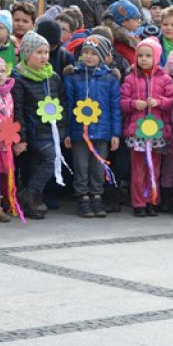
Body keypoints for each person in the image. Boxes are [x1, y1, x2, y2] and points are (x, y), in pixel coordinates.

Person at [63, 37, 122, 218]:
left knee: (98, 166)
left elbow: (115, 107)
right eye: (85, 53)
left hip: (102, 132)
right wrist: (67, 132)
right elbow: (68, 106)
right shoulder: (73, 76)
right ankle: (82, 197)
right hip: (80, 132)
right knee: (80, 165)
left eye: (93, 54)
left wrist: (115, 134)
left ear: (103, 56)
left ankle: (97, 195)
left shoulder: (110, 78)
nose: (88, 57)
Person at [12, 31, 68, 219]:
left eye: (46, 52)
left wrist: (62, 128)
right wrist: (22, 138)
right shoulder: (19, 78)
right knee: (50, 159)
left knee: (39, 164)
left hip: (52, 130)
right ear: (27, 55)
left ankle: (33, 200)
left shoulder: (52, 77)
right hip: (34, 131)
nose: (44, 56)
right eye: (39, 52)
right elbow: (18, 111)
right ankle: (29, 193)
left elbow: (61, 103)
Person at [120, 38, 173, 217]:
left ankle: (152, 200)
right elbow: (122, 102)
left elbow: (172, 101)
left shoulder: (165, 79)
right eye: (140, 55)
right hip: (137, 131)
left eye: (148, 56)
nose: (144, 59)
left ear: (157, 57)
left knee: (155, 168)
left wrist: (159, 102)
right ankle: (138, 202)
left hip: (157, 131)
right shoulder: (130, 78)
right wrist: (133, 104)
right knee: (138, 169)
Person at [0, 55, 14, 222]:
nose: (0, 75)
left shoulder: (7, 94)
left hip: (2, 142)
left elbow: (10, 115)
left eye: (2, 71)